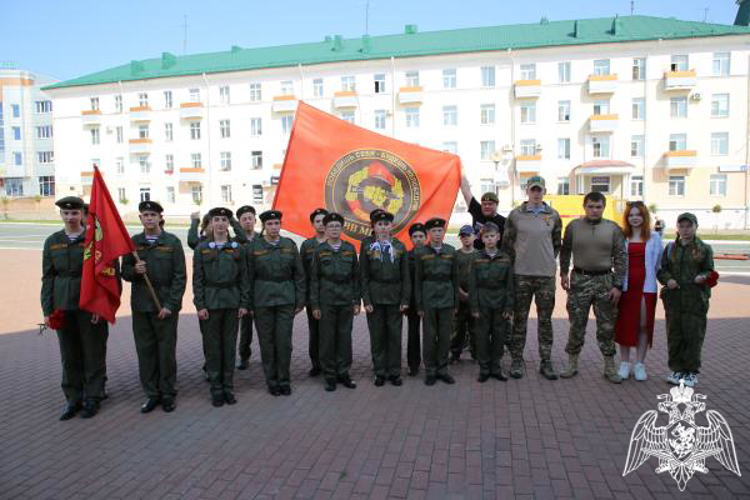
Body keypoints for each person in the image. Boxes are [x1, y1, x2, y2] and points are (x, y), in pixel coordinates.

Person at [41, 197, 109, 420]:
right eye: (66, 213)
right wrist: (48, 309)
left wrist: (101, 307)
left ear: (82, 214)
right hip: (63, 304)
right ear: (61, 215)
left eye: (74, 213)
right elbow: (48, 277)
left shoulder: (95, 240)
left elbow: (106, 276)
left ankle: (93, 396)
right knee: (69, 355)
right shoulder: (53, 241)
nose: (70, 217)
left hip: (89, 304)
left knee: (93, 352)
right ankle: (73, 398)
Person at [122, 201, 186, 413]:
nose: (149, 218)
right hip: (142, 304)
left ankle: (167, 392)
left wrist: (171, 305)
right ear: (140, 219)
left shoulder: (172, 242)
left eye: (152, 215)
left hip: (165, 305)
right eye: (145, 215)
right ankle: (152, 393)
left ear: (160, 217)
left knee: (166, 350)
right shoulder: (133, 243)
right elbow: (125, 273)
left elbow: (180, 277)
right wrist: (134, 271)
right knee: (146, 351)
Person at [559, 192, 626, 383]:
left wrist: (618, 285)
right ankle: (572, 364)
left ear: (603, 207)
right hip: (579, 281)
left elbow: (621, 258)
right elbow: (565, 251)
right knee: (576, 324)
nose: (594, 210)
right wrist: (564, 273)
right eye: (590, 206)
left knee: (606, 327)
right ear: (584, 206)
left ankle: (609, 367)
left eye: (598, 207)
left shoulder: (613, 229)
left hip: (605, 282)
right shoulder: (573, 227)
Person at [501, 176, 562, 380]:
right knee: (520, 320)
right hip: (521, 275)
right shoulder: (516, 215)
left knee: (545, 321)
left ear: (545, 190)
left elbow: (556, 244)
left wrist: (544, 260)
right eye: (533, 190)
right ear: (527, 191)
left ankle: (546, 361)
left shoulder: (553, 215)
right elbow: (507, 245)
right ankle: (517, 360)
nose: (536, 193)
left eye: (539, 190)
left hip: (545, 276)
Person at [193, 207, 250, 407]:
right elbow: (197, 280)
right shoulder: (202, 248)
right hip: (210, 303)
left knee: (228, 347)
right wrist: (200, 305)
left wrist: (244, 303)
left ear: (228, 223)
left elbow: (244, 277)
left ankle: (228, 387)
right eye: (216, 219)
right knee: (213, 348)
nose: (220, 223)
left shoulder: (237, 248)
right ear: (211, 222)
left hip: (232, 302)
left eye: (223, 220)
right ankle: (216, 389)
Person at [247, 210, 305, 396]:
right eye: (270, 224)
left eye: (276, 224)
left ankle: (284, 380)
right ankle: (271, 381)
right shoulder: (254, 246)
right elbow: (247, 277)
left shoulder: (289, 245)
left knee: (284, 342)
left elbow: (299, 275)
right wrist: (249, 304)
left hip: (285, 298)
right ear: (264, 226)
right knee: (267, 342)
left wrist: (300, 299)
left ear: (280, 225)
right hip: (262, 299)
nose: (274, 227)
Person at [657, 213, 715, 388]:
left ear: (695, 227)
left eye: (689, 226)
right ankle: (677, 369)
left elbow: (710, 272)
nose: (685, 229)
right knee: (674, 335)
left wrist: (702, 277)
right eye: (682, 226)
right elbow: (662, 270)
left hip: (695, 300)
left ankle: (691, 372)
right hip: (674, 300)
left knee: (693, 336)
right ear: (677, 228)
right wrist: (668, 280)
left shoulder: (704, 248)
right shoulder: (671, 248)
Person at [309, 212, 360, 391]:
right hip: (327, 300)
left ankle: (343, 372)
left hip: (345, 299)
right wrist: (315, 304)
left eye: (337, 226)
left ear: (341, 228)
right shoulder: (319, 250)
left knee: (344, 338)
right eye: (330, 226)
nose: (333, 229)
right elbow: (314, 279)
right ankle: (330, 375)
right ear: (326, 228)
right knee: (327, 340)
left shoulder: (349, 248)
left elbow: (356, 277)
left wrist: (356, 301)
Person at [360, 211, 410, 386]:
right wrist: (366, 300)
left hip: (395, 297)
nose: (383, 227)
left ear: (391, 226)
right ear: (373, 227)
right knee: (377, 336)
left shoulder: (400, 246)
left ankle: (395, 372)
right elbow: (363, 275)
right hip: (375, 297)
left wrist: (405, 299)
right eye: (379, 224)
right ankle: (380, 372)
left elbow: (406, 276)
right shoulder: (367, 246)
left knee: (395, 336)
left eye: (386, 224)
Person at [614, 201, 662, 382]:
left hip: (646, 287)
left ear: (644, 216)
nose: (635, 218)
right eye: (631, 214)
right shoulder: (621, 236)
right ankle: (625, 363)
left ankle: (640, 364)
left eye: (638, 214)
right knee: (625, 324)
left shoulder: (654, 237)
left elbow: (658, 263)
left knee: (643, 325)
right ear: (627, 217)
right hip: (625, 287)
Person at [415, 217, 459, 386]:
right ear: (428, 233)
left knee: (445, 336)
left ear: (443, 232)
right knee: (429, 336)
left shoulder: (451, 251)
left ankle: (443, 369)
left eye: (440, 230)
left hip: (447, 298)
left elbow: (454, 279)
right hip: (428, 298)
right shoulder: (421, 253)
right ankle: (431, 370)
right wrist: (419, 304)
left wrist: (456, 302)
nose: (437, 233)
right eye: (433, 231)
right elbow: (418, 281)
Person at [468, 222, 514, 382]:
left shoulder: (505, 258)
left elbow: (509, 285)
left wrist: (509, 305)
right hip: (482, 301)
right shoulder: (476, 258)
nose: (489, 239)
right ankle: (484, 368)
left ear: (498, 237)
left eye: (492, 236)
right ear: (482, 238)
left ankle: (496, 367)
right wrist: (473, 306)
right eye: (486, 237)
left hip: (500, 301)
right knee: (481, 336)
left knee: (499, 335)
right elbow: (472, 284)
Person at [300, 208, 328, 377]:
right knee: (315, 331)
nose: (321, 224)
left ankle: (329, 362)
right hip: (314, 296)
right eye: (318, 221)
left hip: (331, 295)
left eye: (324, 221)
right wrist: (304, 298)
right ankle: (316, 363)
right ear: (313, 224)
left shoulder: (335, 243)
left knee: (330, 331)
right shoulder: (307, 245)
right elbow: (302, 273)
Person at [235, 205, 259, 371]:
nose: (247, 221)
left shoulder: (263, 239)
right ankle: (244, 356)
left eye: (250, 218)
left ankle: (269, 356)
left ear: (255, 220)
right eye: (244, 219)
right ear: (239, 223)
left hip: (260, 289)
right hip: (242, 290)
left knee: (265, 327)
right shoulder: (234, 242)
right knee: (245, 328)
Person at [459, 170, 506, 248]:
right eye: (484, 204)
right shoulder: (477, 211)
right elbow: (465, 190)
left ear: (496, 204)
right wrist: (460, 169)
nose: (486, 206)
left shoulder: (504, 222)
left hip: (494, 257)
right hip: (477, 257)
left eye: (490, 204)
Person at [451, 225, 477, 363]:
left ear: (474, 236)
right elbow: (452, 277)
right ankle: (455, 353)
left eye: (468, 235)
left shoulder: (479, 255)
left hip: (474, 299)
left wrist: (472, 295)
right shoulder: (455, 255)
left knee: (475, 328)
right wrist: (460, 292)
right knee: (458, 328)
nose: (465, 238)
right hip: (459, 298)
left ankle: (476, 353)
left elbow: (482, 278)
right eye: (463, 236)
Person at [405, 222, 426, 376]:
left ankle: (432, 362)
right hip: (412, 302)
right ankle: (413, 364)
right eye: (415, 236)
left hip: (431, 300)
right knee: (413, 334)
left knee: (432, 334)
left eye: (421, 236)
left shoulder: (432, 255)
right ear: (411, 239)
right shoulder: (406, 257)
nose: (418, 239)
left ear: (426, 238)